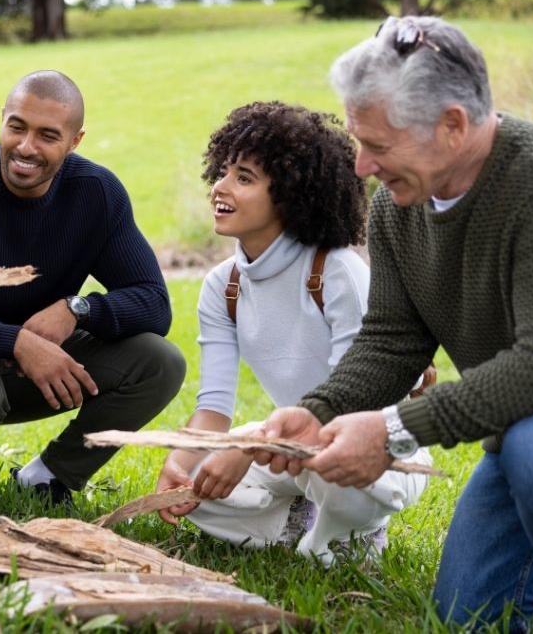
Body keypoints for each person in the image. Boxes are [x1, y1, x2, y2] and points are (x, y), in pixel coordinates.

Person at [252, 17, 533, 630]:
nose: (363, 165)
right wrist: (318, 410)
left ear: (452, 125)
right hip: (524, 426)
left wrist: (393, 429)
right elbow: (394, 338)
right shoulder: (401, 205)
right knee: (467, 615)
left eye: (379, 144)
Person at [0, 70, 186, 502]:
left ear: (75, 141)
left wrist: (78, 309)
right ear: (1, 120)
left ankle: (47, 478)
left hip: (32, 364)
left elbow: (154, 304)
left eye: (47, 135)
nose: (26, 147)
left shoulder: (96, 193)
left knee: (160, 362)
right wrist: (15, 341)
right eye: (16, 127)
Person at [153, 101, 430, 563]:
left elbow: (352, 406)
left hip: (372, 442)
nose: (220, 188)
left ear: (290, 196)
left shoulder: (337, 272)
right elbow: (214, 410)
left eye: (244, 178)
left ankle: (354, 534)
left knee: (330, 464)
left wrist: (253, 445)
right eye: (223, 172)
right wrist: (180, 466)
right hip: (288, 443)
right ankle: (298, 522)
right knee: (201, 476)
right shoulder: (223, 285)